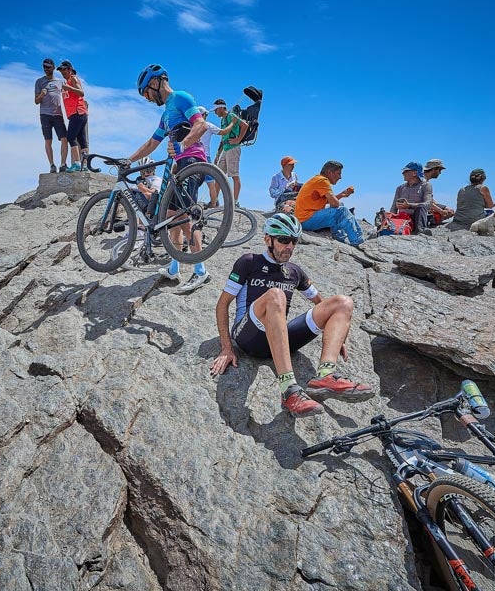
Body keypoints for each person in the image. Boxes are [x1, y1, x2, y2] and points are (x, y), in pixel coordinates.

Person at [210, 213, 374, 417]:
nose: (289, 246)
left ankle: (325, 375)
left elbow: (322, 305)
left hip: (279, 339)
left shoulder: (294, 271)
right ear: (268, 240)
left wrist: (337, 335)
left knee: (343, 302)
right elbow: (222, 304)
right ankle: (289, 390)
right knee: (275, 296)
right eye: (283, 240)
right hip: (248, 336)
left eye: (294, 241)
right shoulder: (248, 262)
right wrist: (226, 348)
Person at [126, 64, 210, 293]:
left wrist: (183, 144)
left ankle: (201, 270)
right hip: (179, 167)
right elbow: (152, 143)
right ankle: (174, 267)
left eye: (146, 93)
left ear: (154, 83)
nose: (147, 98)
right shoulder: (165, 114)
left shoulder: (181, 98)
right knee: (172, 216)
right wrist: (129, 160)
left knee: (183, 217)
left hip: (193, 162)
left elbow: (200, 124)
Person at [294, 160, 362, 245]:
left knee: (340, 206)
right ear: (330, 172)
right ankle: (357, 241)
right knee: (342, 211)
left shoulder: (317, 179)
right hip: (306, 220)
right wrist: (336, 201)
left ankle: (340, 238)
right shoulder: (322, 181)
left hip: (303, 219)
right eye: (338, 173)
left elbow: (328, 202)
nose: (340, 177)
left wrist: (341, 195)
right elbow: (334, 204)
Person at [211, 98, 247, 205]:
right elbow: (223, 138)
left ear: (221, 107)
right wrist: (218, 154)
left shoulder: (231, 116)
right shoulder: (223, 120)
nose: (215, 112)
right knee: (219, 175)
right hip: (226, 149)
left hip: (233, 148)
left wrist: (238, 139)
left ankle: (234, 202)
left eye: (216, 110)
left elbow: (245, 125)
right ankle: (215, 201)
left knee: (234, 175)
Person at [35, 58, 68, 174]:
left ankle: (63, 164)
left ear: (53, 67)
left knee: (64, 139)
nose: (46, 69)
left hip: (58, 114)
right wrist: (42, 95)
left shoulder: (60, 82)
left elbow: (70, 92)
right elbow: (36, 101)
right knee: (48, 140)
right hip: (45, 114)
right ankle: (52, 165)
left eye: (48, 67)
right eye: (44, 67)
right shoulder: (39, 81)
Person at [57, 60, 88, 172]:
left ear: (70, 70)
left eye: (64, 70)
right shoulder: (66, 83)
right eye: (61, 70)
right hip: (76, 114)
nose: (63, 72)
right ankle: (85, 165)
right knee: (81, 139)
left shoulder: (73, 79)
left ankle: (77, 163)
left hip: (77, 112)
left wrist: (68, 88)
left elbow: (81, 92)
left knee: (70, 137)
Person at [392, 162, 434, 235]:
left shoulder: (425, 185)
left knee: (421, 207)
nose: (403, 173)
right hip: (403, 218)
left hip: (417, 219)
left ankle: (421, 231)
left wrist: (409, 205)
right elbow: (394, 207)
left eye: (406, 171)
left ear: (414, 173)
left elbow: (428, 204)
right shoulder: (400, 188)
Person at [423, 159, 454, 225]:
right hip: (421, 209)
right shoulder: (423, 182)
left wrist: (441, 207)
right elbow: (426, 201)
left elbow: (429, 199)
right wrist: (441, 211)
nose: (440, 173)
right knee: (449, 212)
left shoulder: (424, 180)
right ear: (434, 169)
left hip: (425, 206)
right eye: (439, 170)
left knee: (450, 211)